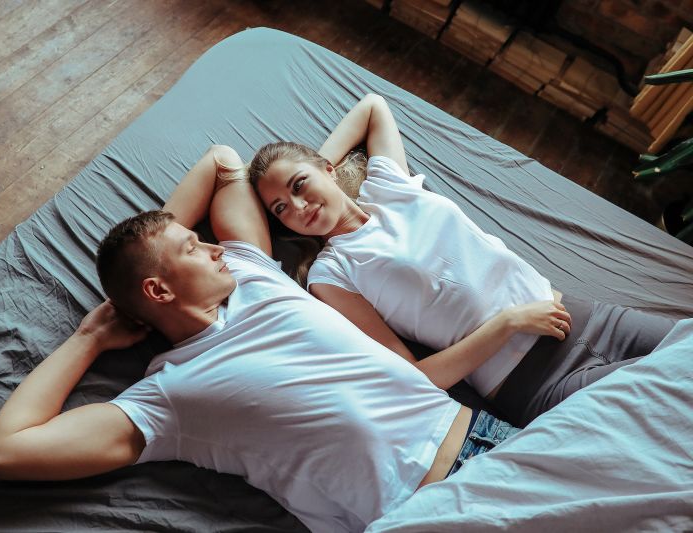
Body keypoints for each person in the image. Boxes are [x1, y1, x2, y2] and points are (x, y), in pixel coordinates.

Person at [0, 145, 520, 533]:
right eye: (194, 247)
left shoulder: (251, 270)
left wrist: (153, 254)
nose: (213, 247)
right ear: (158, 290)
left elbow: (223, 161)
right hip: (424, 511)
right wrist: (89, 336)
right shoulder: (167, 399)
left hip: (493, 439)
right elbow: (0, 451)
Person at [248, 94, 678, 426]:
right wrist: (508, 323)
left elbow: (373, 107)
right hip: (533, 381)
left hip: (588, 318)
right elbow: (415, 377)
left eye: (299, 185)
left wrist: (314, 169)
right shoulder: (332, 274)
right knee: (673, 390)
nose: (298, 206)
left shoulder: (387, 185)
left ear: (329, 166)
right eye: (281, 208)